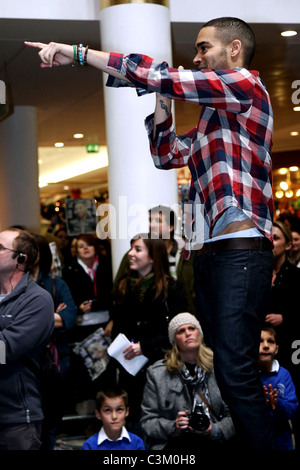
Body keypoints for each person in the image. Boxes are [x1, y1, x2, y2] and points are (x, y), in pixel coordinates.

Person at [25, 16, 274, 449]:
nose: (196, 57)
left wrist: (80, 54)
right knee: (226, 373)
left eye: (203, 48)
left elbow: (160, 74)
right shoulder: (211, 126)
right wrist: (162, 97)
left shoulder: (245, 86)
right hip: (212, 257)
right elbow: (164, 153)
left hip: (241, 250)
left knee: (235, 371)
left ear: (234, 50)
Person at [105, 234, 188, 428]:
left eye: (138, 249)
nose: (130, 254)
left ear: (153, 257)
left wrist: (144, 346)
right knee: (134, 423)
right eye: (131, 248)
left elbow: (180, 331)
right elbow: (119, 327)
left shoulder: (171, 288)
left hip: (162, 368)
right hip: (130, 369)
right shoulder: (125, 286)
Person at [140, 313, 235, 450]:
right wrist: (174, 426)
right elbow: (147, 422)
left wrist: (213, 429)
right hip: (176, 446)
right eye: (181, 331)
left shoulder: (220, 367)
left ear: (200, 334)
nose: (188, 333)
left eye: (192, 328)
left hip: (215, 443)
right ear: (174, 340)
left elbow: (233, 414)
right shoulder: (157, 374)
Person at [0, 228, 54, 450]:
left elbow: (5, 349)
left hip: (16, 418)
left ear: (20, 260)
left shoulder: (37, 300)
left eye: (1, 248)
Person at [112, 205, 196, 314]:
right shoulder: (136, 255)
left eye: (158, 221)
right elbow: (118, 288)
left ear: (171, 227)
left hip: (184, 314)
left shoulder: (186, 254)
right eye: (150, 220)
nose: (152, 225)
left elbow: (194, 289)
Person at [266, 221, 300, 449]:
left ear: (288, 245)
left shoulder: (295, 276)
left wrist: (284, 318)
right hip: (263, 345)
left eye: (276, 238)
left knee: (290, 394)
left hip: (291, 345)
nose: (271, 242)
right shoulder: (260, 272)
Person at [30, 233, 77, 378]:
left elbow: (68, 317)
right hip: (25, 358)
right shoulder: (14, 285)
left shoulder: (57, 285)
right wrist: (52, 316)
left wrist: (26, 318)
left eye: (32, 249)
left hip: (55, 356)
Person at [62, 233, 113, 343]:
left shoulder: (107, 265)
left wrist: (113, 320)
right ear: (76, 251)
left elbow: (114, 295)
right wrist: (79, 308)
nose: (85, 248)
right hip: (81, 324)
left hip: (106, 321)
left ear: (95, 247)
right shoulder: (68, 270)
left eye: (89, 245)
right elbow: (66, 300)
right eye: (81, 246)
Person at [258, 324, 298, 450]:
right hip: (257, 440)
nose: (265, 346)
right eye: (260, 341)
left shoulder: (283, 374)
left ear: (276, 349)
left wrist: (277, 404)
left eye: (270, 341)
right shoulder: (248, 376)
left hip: (282, 441)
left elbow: (292, 407)